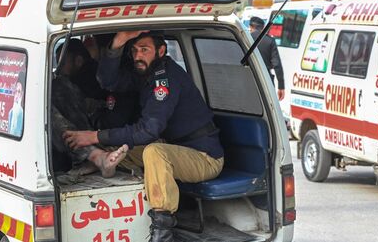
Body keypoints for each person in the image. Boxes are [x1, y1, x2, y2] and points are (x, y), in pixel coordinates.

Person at [62, 31, 224, 242]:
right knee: (119, 149)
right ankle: (98, 164)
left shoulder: (165, 79)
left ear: (161, 51)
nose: (138, 56)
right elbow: (108, 81)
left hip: (204, 157)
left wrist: (94, 136)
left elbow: (148, 130)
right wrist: (117, 45)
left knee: (154, 152)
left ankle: (162, 231)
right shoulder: (145, 75)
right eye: (134, 50)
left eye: (144, 50)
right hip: (174, 147)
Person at [51, 38, 128, 177]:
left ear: (79, 61)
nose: (59, 69)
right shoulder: (90, 74)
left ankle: (94, 156)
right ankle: (94, 156)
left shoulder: (89, 77)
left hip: (101, 129)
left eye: (62, 63)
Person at [249, 16, 285, 100]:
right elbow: (277, 65)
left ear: (250, 27)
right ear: (262, 28)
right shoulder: (270, 41)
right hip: (266, 79)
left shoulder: (245, 38)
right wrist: (281, 86)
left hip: (248, 77)